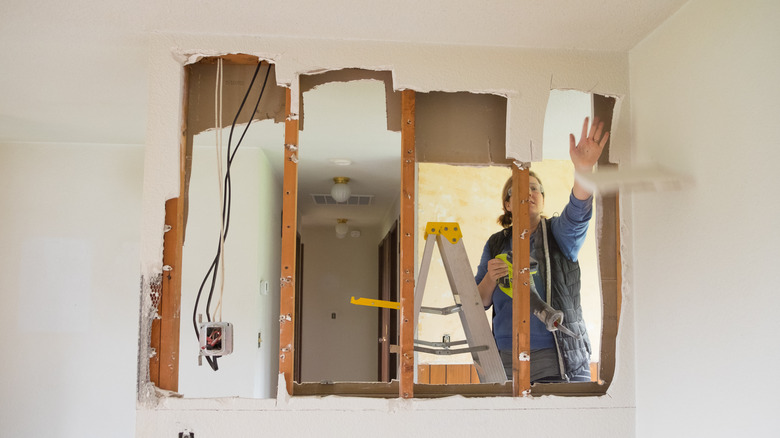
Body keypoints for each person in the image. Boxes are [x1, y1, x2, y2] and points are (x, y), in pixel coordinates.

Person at [475, 117, 609, 382]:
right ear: (508, 204)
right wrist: (491, 278)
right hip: (506, 358)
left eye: (535, 188)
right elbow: (478, 302)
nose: (530, 192)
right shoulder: (495, 243)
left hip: (559, 359)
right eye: (521, 189)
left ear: (543, 199)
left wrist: (583, 169)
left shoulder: (558, 235)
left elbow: (578, 213)